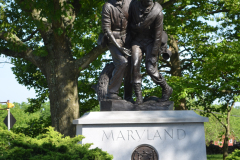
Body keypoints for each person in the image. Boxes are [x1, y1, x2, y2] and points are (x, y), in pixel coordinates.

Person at [130, 0, 173, 104]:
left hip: (151, 41)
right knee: (135, 66)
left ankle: (167, 88)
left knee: (150, 69)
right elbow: (128, 22)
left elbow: (158, 35)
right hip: (137, 40)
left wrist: (154, 54)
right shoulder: (134, 5)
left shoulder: (158, 12)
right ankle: (138, 97)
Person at [101, 0, 133, 101]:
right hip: (113, 40)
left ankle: (128, 97)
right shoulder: (107, 6)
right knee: (122, 63)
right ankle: (111, 92)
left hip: (128, 39)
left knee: (132, 66)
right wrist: (119, 47)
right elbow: (106, 30)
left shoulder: (131, 2)